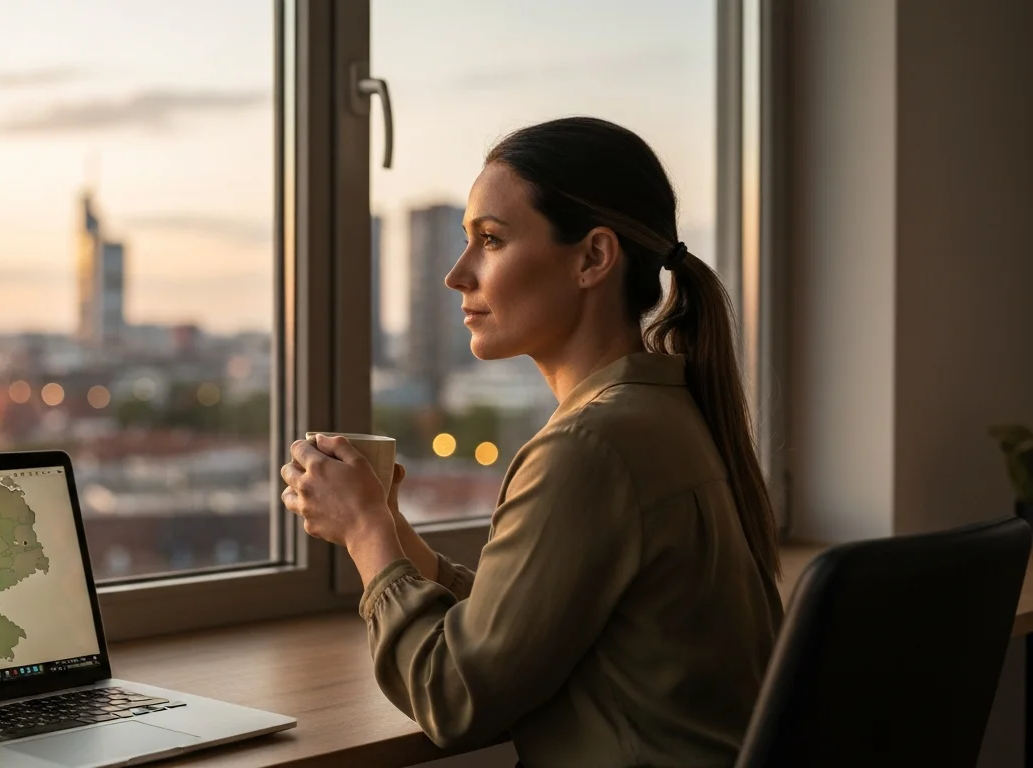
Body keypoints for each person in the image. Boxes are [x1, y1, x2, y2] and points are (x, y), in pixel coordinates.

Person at [280, 116, 783, 767]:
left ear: (593, 258)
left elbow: (452, 699)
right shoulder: (663, 414)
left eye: (490, 240)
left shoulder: (590, 447)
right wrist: (391, 527)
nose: (457, 274)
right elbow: (522, 621)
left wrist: (366, 533)